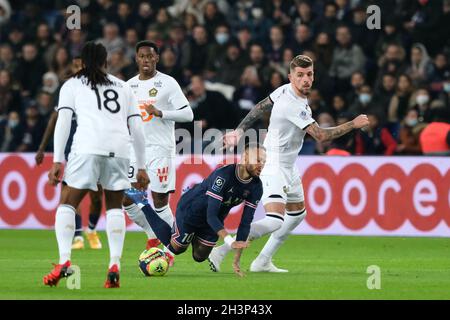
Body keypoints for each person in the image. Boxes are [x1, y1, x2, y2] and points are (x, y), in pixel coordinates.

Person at [208, 55, 369, 272]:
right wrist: (353, 124)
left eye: (309, 74)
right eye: (300, 75)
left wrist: (239, 130)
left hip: (289, 164)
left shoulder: (284, 90)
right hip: (273, 163)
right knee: (275, 220)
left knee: (297, 214)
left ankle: (262, 261)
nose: (305, 80)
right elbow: (320, 135)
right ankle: (221, 250)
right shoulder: (293, 105)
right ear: (290, 76)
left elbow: (261, 106)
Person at [42, 42, 149, 288]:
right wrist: (141, 166)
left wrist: (57, 160)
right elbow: (138, 129)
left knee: (68, 202)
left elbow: (64, 122)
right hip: (120, 150)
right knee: (114, 207)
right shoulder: (123, 87)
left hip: (87, 148)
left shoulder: (72, 85)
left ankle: (64, 261)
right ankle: (114, 265)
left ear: (81, 61)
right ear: (105, 61)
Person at [125, 143, 266, 277]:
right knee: (176, 248)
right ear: (245, 157)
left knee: (199, 257)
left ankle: (189, 236)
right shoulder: (223, 176)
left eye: (264, 161)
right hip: (192, 210)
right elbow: (211, 215)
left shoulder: (257, 187)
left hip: (215, 219)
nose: (262, 165)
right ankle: (143, 202)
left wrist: (236, 261)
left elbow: (245, 222)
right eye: (258, 160)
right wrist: (229, 240)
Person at [123, 41, 193, 261]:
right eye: (142, 56)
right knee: (126, 198)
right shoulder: (128, 86)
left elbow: (188, 114)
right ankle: (152, 232)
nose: (146, 60)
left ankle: (172, 247)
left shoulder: (168, 83)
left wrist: (161, 112)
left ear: (157, 58)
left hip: (160, 148)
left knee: (160, 200)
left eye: (150, 56)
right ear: (136, 59)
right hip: (135, 150)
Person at [35, 56, 104, 250]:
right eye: (74, 65)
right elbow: (55, 119)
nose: (77, 68)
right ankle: (78, 236)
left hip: (94, 148)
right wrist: (42, 147)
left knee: (97, 195)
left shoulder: (97, 88)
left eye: (80, 65)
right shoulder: (67, 89)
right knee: (72, 190)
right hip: (72, 150)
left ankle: (91, 229)